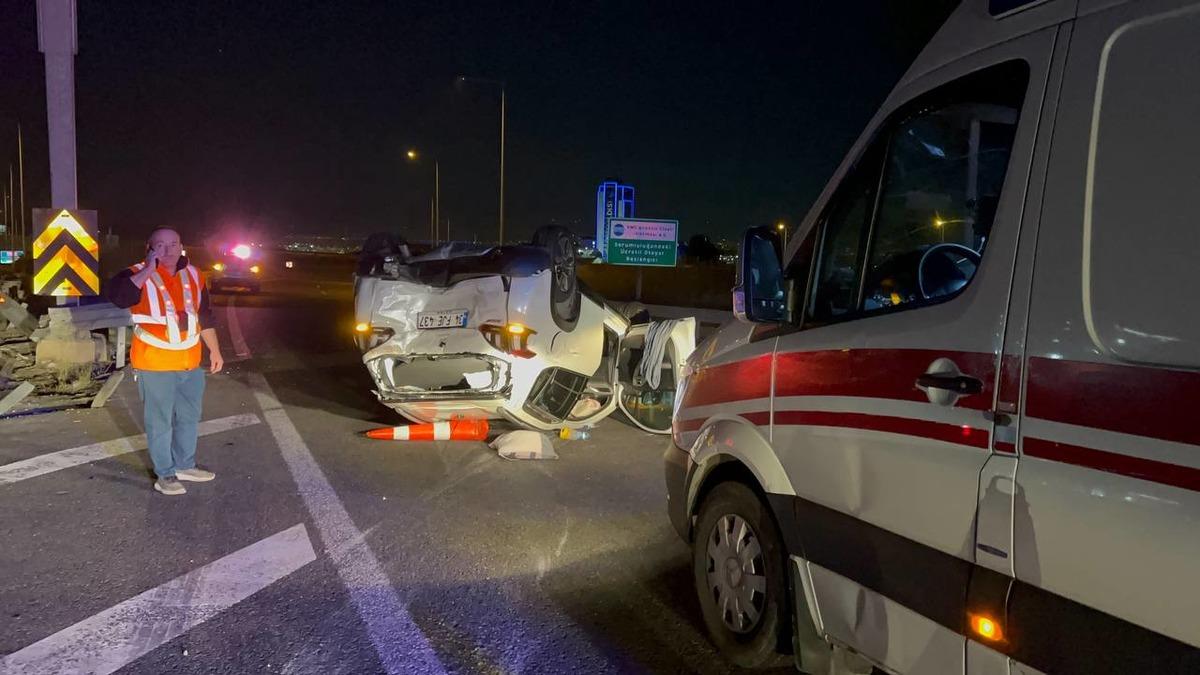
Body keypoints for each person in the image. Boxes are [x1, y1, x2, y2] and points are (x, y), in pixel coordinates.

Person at [107, 228, 224, 495]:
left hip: (190, 361)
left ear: (182, 246)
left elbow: (204, 316)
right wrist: (150, 266)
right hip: (155, 361)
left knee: (189, 417)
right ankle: (165, 474)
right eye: (160, 245)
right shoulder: (134, 273)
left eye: (173, 244)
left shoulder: (195, 274)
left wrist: (214, 351)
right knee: (159, 421)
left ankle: (184, 464)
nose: (168, 250)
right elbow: (120, 298)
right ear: (149, 247)